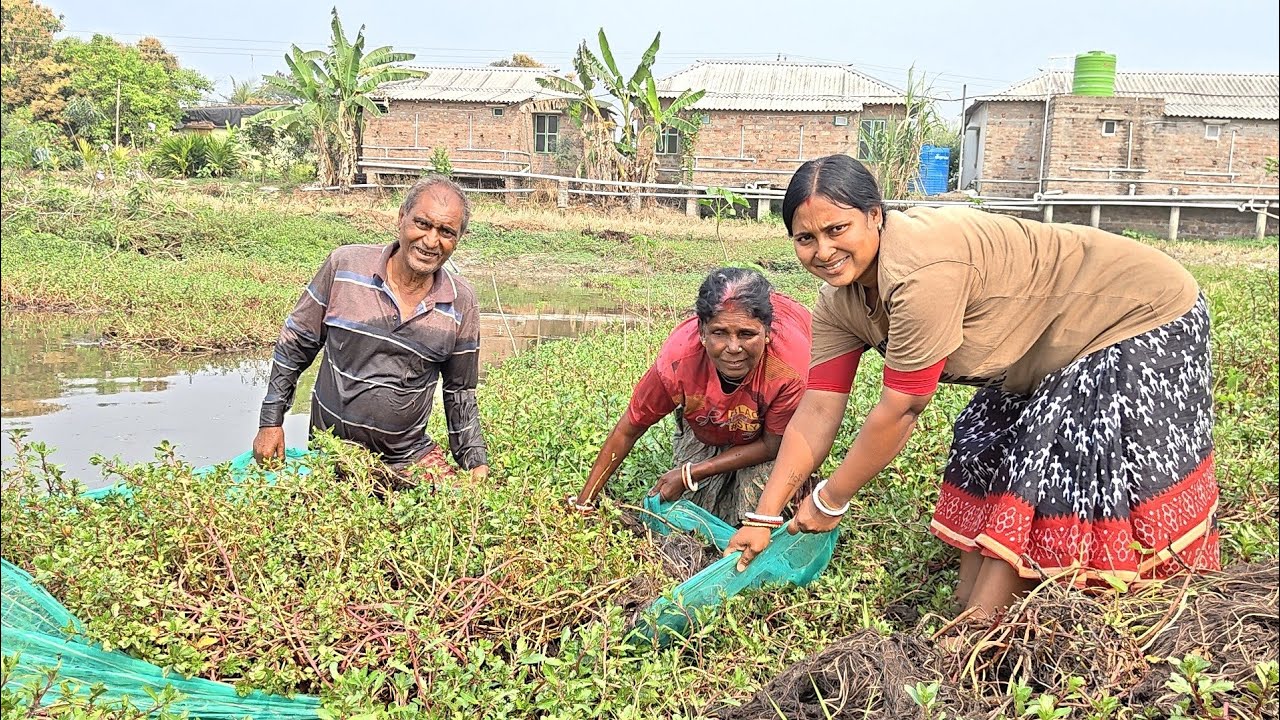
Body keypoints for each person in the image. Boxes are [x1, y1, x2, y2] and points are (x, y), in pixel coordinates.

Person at [728, 154, 1219, 617]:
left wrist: (830, 499)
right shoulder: (839, 301)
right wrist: (765, 517)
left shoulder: (922, 273)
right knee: (981, 440)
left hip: (1139, 312)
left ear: (875, 216)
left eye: (838, 229)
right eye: (805, 238)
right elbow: (817, 410)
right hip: (1044, 344)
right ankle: (975, 603)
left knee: (1054, 454)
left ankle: (984, 627)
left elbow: (900, 409)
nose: (824, 251)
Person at [252, 176, 489, 482]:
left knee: (463, 511)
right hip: (333, 452)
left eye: (446, 232)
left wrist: (475, 462)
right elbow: (295, 344)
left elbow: (459, 391)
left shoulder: (461, 301)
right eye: (422, 224)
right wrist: (270, 422)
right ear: (401, 218)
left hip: (408, 456)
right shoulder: (345, 266)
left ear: (458, 239)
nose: (431, 241)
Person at [569, 268, 813, 526]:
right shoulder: (678, 362)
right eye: (719, 333)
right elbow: (629, 428)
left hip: (771, 435)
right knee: (687, 516)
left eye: (746, 334)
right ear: (701, 332)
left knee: (758, 519)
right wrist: (584, 502)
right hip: (708, 423)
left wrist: (691, 473)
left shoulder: (789, 368)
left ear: (767, 333)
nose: (733, 348)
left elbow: (771, 445)